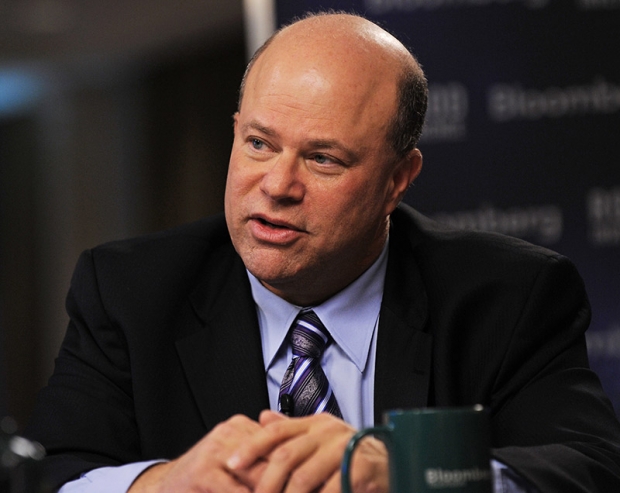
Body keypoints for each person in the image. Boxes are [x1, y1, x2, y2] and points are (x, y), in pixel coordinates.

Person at [25, 11, 620, 493]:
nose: (278, 185)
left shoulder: (507, 296)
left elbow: (591, 469)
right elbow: (48, 475)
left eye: (323, 159)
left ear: (397, 180)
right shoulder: (129, 292)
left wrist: (407, 474)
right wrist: (163, 484)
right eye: (259, 144)